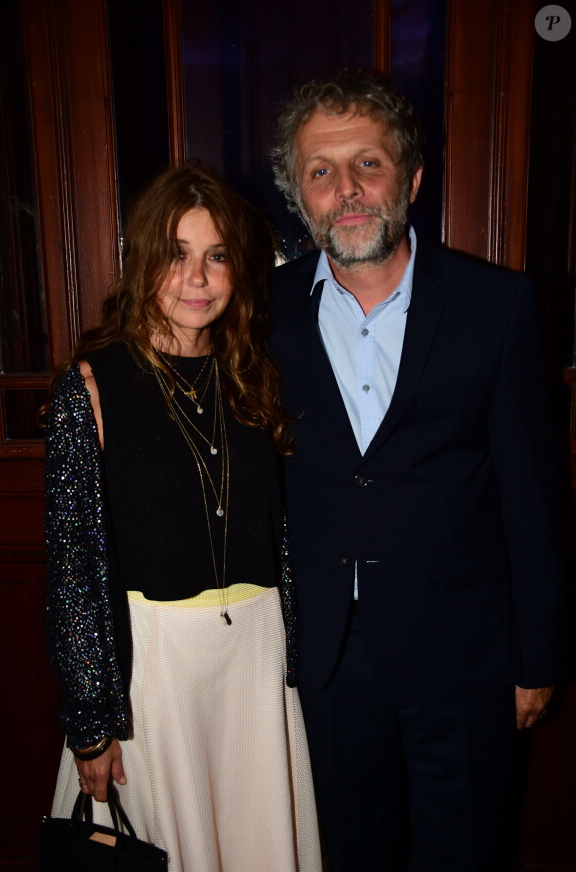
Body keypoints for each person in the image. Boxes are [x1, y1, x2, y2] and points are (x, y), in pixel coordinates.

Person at [270, 69, 564, 871]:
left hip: (465, 657)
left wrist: (535, 658)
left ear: (413, 177)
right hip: (326, 660)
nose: (347, 190)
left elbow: (534, 498)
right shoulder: (262, 317)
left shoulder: (495, 306)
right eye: (321, 172)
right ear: (300, 196)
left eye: (368, 163)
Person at [45, 160, 321, 872]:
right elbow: (72, 569)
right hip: (157, 672)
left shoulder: (254, 373)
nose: (196, 278)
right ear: (143, 261)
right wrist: (89, 724)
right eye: (176, 254)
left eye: (216, 256)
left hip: (256, 659)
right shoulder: (91, 386)